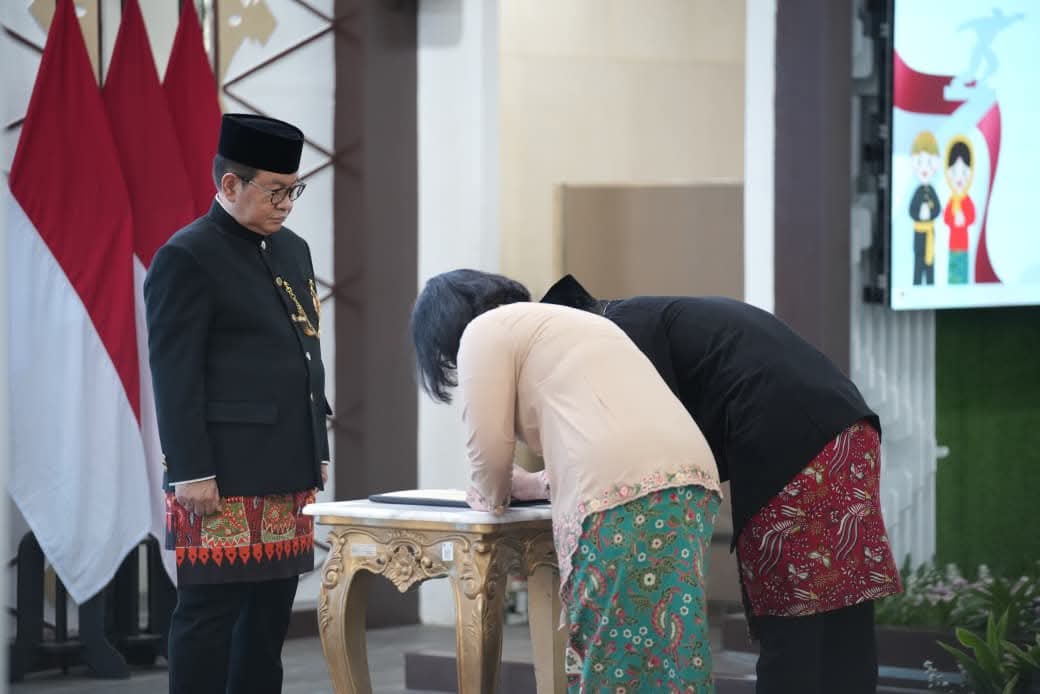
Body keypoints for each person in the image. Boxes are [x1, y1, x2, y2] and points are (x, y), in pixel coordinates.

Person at [542, 275, 903, 694]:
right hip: (847, 431)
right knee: (843, 607)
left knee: (791, 613)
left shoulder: (622, 333)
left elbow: (649, 448)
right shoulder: (648, 315)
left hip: (796, 444)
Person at [410, 269, 721, 692]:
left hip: (621, 495)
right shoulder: (570, 322)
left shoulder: (483, 331)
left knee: (615, 653)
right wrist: (536, 484)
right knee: (672, 647)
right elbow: (601, 429)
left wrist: (489, 494)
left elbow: (489, 449)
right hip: (689, 478)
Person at [144, 113, 332, 694]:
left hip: (287, 469)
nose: (287, 204)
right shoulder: (187, 256)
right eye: (275, 191)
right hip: (219, 477)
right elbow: (174, 376)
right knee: (208, 620)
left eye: (294, 190)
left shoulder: (293, 250)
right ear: (230, 184)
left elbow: (306, 353)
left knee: (268, 624)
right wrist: (191, 471)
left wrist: (317, 448)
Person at [908, 130, 942, 286]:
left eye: (929, 162)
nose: (924, 168)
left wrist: (930, 212)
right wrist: (919, 214)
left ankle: (930, 285)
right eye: (920, 162)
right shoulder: (917, 192)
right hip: (918, 234)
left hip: (930, 234)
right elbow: (911, 210)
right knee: (918, 263)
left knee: (930, 264)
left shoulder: (932, 191)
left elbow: (938, 209)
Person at [942, 136, 976, 285]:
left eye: (964, 172)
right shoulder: (952, 200)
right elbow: (946, 218)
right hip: (952, 244)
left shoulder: (967, 200)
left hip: (964, 244)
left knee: (963, 269)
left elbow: (972, 217)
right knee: (953, 269)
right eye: (955, 172)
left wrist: (964, 219)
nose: (960, 178)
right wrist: (953, 219)